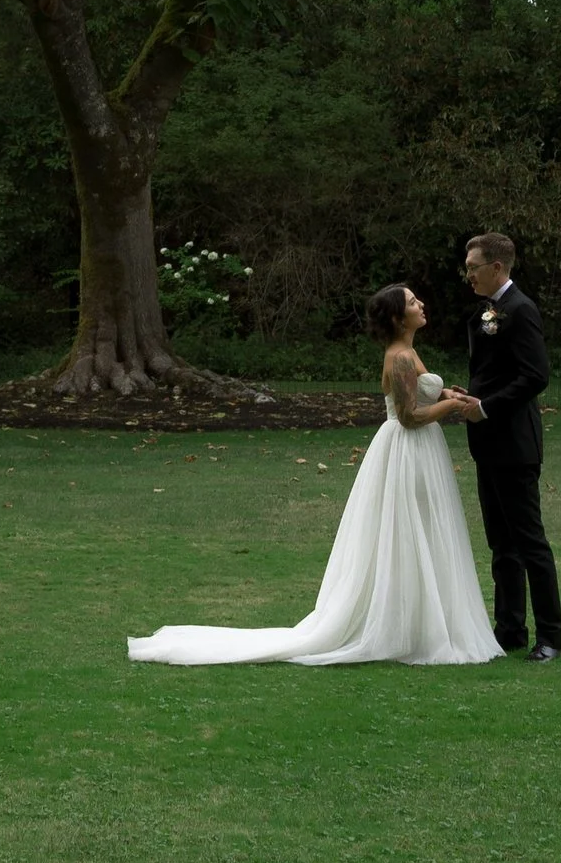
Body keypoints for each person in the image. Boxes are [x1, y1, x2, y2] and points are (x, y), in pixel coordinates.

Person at [126, 283, 501, 667]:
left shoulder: (409, 352)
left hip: (422, 452)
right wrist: (452, 406)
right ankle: (410, 628)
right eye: (411, 302)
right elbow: (408, 417)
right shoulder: (401, 357)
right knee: (409, 531)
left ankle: (421, 623)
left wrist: (444, 395)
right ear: (396, 317)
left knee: (420, 530)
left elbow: (421, 398)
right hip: (409, 450)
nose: (421, 304)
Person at [450, 230, 561, 662]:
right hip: (487, 444)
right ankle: (510, 629)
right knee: (501, 544)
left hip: (515, 444)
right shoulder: (488, 312)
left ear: (497, 267)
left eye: (473, 266)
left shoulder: (521, 310)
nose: (468, 274)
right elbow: (495, 370)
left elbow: (535, 375)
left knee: (530, 542)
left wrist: (488, 407)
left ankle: (550, 636)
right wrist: (471, 395)